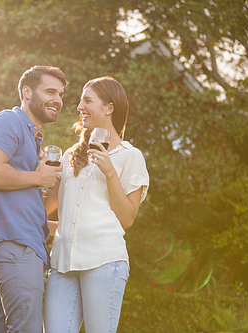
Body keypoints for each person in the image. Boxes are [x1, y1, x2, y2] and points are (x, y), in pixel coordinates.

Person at [43, 76, 149, 333]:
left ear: (109, 108)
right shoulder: (70, 155)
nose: (79, 106)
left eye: (87, 100)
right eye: (80, 100)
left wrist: (109, 171)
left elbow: (127, 218)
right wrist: (39, 176)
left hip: (104, 262)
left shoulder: (129, 156)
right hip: (62, 264)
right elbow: (47, 207)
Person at [0, 65, 68, 333]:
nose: (58, 100)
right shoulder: (8, 121)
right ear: (26, 92)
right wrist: (39, 179)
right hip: (14, 245)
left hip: (24, 245)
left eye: (61, 95)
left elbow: (27, 208)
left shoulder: (34, 139)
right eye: (50, 91)